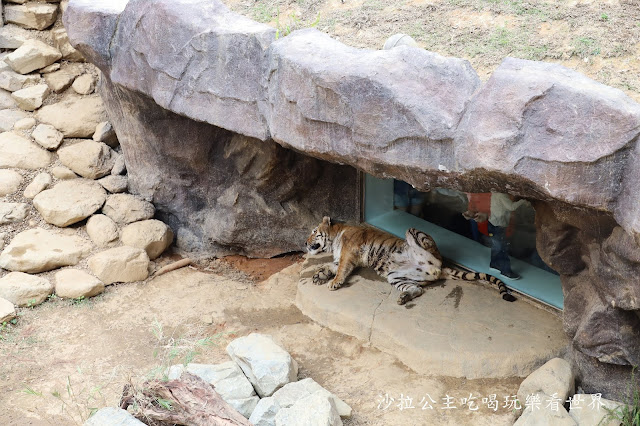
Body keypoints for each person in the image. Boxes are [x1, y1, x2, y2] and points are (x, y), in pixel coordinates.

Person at [487, 192, 530, 280]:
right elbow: (511, 207)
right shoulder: (502, 195)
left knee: (496, 247)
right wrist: (522, 201)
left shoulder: (494, 192)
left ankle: (494, 264)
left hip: (492, 223)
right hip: (499, 226)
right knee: (503, 249)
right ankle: (506, 271)